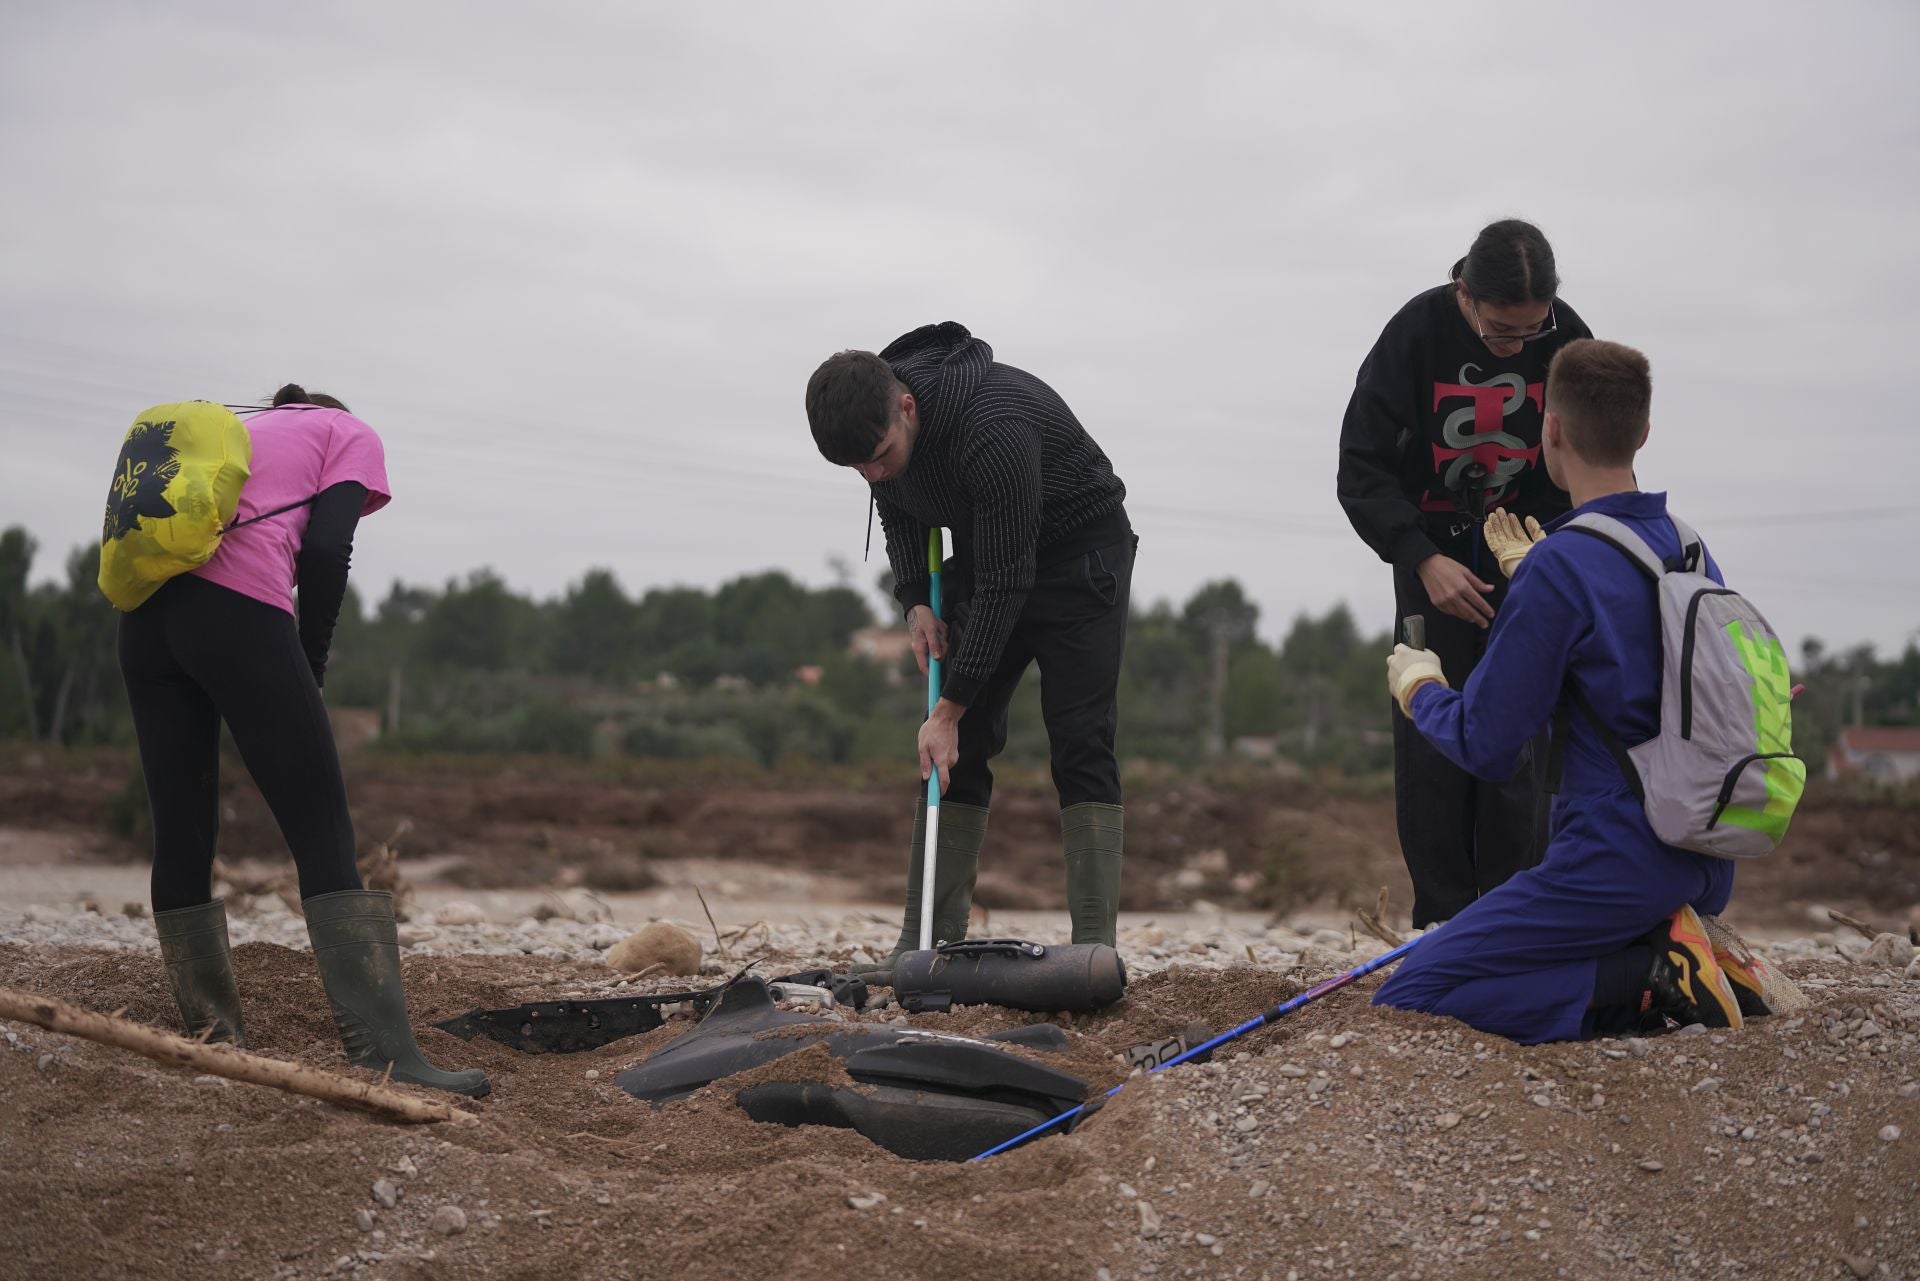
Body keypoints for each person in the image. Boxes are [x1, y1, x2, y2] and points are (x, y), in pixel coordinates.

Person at [1371, 339, 1763, 1043]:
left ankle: (1651, 976)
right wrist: (1541, 580)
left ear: (1548, 430)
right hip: (1706, 854)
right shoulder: (1689, 544)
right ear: (1643, 432)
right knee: (1488, 964)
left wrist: (1419, 686)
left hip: (1612, 862)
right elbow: (1638, 657)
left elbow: (1486, 743)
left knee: (1415, 991)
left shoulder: (1562, 565)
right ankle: (1687, 958)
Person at [118, 384, 488, 1096]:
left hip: (144, 619)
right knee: (323, 829)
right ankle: (388, 1057)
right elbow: (325, 549)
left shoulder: (241, 432)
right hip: (236, 614)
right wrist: (307, 663)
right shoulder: (348, 433)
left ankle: (212, 1042)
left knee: (183, 828)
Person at [806, 323, 1134, 967]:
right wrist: (915, 601)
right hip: (992, 555)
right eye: (856, 467)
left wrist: (948, 708)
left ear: (906, 407)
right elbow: (898, 507)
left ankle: (1094, 949)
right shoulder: (879, 433)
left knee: (1078, 739)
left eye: (879, 453)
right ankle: (928, 937)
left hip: (1079, 559)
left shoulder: (994, 422)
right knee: (957, 749)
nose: (872, 471)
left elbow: (1008, 583)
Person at [1337, 219, 1595, 928]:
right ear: (1466, 295)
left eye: (1529, 331)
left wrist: (1559, 555)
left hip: (1529, 555)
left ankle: (1512, 915)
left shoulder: (1566, 334)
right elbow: (1360, 470)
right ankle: (1443, 921)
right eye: (1501, 334)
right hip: (1430, 556)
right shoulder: (1413, 335)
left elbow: (1587, 455)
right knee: (1429, 737)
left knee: (1522, 736)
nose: (1517, 346)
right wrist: (1420, 557)